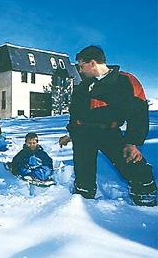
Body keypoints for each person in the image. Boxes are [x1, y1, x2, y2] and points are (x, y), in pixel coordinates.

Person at [59, 45, 156, 206]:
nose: (80, 71)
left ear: (92, 63)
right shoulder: (82, 88)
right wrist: (71, 134)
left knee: (132, 163)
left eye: (81, 66)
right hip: (83, 134)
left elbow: (138, 113)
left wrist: (132, 142)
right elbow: (76, 116)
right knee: (83, 172)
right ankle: (82, 203)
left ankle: (145, 197)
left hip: (109, 132)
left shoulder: (124, 81)